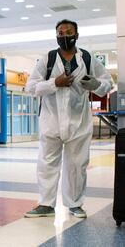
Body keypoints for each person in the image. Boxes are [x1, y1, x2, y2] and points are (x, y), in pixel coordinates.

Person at [24, 19, 112, 218]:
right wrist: (55, 82)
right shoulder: (47, 59)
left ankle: (75, 204)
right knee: (47, 164)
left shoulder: (87, 58)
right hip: (51, 121)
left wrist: (95, 84)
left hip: (78, 123)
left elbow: (108, 82)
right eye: (60, 33)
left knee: (77, 165)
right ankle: (46, 204)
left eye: (68, 32)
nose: (64, 36)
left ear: (77, 35)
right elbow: (31, 88)